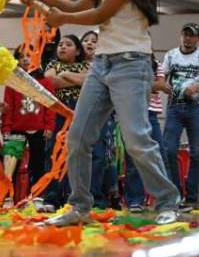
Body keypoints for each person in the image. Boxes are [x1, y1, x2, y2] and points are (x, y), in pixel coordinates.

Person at [33, 0, 181, 226]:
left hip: (131, 63)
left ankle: (168, 201)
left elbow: (100, 14)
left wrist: (61, 19)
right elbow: (80, 5)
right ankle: (80, 206)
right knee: (77, 137)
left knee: (137, 138)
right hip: (101, 64)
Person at [161, 23, 199, 211]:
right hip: (174, 108)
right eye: (185, 35)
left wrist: (197, 86)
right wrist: (163, 85)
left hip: (196, 107)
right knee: (169, 150)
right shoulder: (171, 55)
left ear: (198, 38)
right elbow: (161, 77)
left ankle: (191, 198)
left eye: (191, 36)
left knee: (196, 153)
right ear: (180, 36)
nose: (187, 39)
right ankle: (175, 194)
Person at [39, 34, 90, 211]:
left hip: (78, 110)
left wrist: (66, 75)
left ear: (78, 51)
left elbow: (89, 82)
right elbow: (50, 82)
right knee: (53, 151)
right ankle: (51, 198)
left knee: (75, 152)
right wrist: (76, 81)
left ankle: (72, 197)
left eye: (68, 44)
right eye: (60, 44)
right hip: (57, 111)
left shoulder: (85, 66)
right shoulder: (52, 64)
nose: (62, 47)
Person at [1, 47, 55, 195]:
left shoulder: (45, 82)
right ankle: (5, 197)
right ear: (16, 61)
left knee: (37, 165)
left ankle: (36, 197)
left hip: (39, 130)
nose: (25, 59)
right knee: (10, 165)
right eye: (21, 56)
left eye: (29, 56)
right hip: (16, 130)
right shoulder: (12, 82)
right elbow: (8, 107)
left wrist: (49, 126)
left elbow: (50, 106)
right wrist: (6, 128)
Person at [125, 55, 167, 211]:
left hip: (151, 114)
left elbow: (161, 84)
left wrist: (138, 86)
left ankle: (167, 199)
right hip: (132, 112)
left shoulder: (157, 64)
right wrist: (152, 85)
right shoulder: (126, 63)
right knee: (133, 158)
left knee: (160, 156)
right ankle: (135, 200)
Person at [83, 29, 118, 208]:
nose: (89, 43)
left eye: (94, 41)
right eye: (86, 40)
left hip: (104, 116)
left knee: (99, 155)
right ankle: (78, 197)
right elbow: (58, 79)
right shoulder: (75, 64)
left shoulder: (106, 65)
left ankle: (96, 196)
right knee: (80, 154)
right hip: (79, 115)